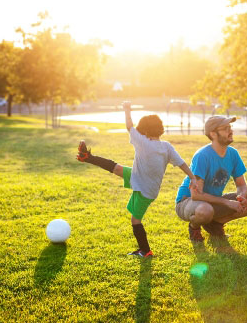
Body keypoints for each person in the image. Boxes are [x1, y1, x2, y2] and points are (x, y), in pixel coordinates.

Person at [77, 101, 198, 258]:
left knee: (136, 220)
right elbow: (181, 163)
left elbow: (129, 126)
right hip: (140, 178)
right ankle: (88, 157)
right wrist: (192, 178)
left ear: (146, 132)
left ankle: (145, 250)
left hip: (145, 191)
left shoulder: (143, 142)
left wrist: (127, 110)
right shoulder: (167, 147)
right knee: (117, 168)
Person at [175, 115, 247, 242]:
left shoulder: (233, 153)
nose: (231, 131)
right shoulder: (202, 156)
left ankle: (215, 224)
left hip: (212, 201)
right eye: (225, 128)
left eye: (230, 127)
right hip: (187, 201)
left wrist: (241, 197)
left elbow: (241, 185)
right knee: (205, 210)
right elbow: (196, 195)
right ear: (213, 134)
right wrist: (227, 202)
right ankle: (194, 227)